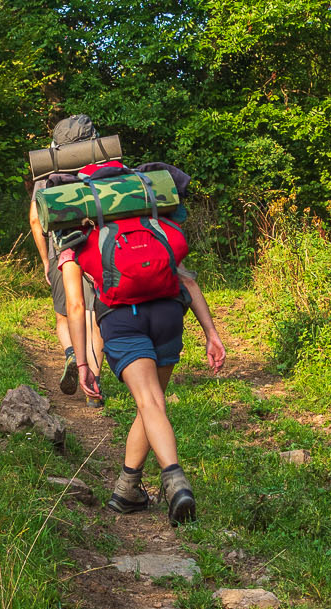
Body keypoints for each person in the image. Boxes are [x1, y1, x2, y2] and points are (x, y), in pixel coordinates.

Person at [59, 199, 226, 525]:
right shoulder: (151, 227)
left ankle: (175, 482)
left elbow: (77, 307)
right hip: (167, 315)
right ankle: (127, 489)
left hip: (123, 322)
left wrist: (83, 364)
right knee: (152, 403)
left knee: (149, 402)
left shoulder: (77, 242)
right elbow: (188, 282)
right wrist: (211, 333)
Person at [29, 114, 104, 400]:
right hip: (98, 246)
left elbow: (36, 220)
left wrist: (46, 260)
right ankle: (94, 383)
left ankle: (73, 353)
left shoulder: (48, 174)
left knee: (66, 312)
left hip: (62, 249)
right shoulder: (102, 167)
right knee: (94, 315)